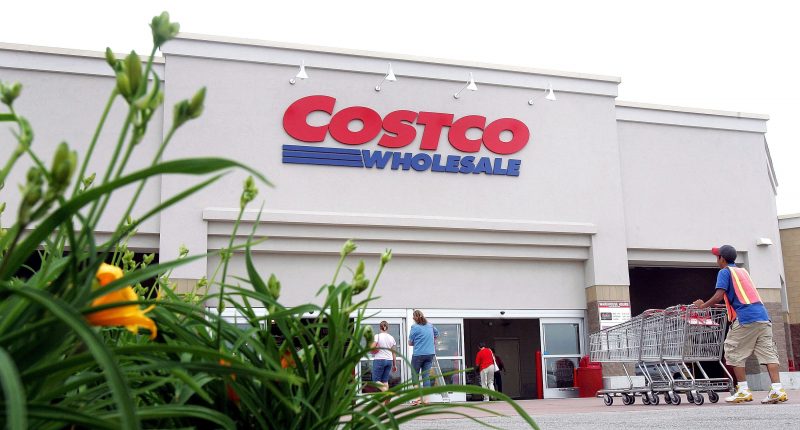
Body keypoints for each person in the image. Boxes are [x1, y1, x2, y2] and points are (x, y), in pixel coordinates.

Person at [693, 245, 788, 404]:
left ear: (721, 258)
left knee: (732, 350)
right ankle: (777, 389)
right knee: (768, 353)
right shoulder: (743, 272)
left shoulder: (724, 272)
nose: (717, 260)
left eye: (717, 257)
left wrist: (702, 306)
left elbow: (718, 295)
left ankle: (743, 390)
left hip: (745, 318)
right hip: (763, 317)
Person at [407, 309, 439, 405]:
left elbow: (410, 342)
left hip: (418, 354)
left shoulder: (414, 327)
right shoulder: (430, 325)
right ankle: (427, 400)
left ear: (414, 318)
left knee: (415, 376)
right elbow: (437, 334)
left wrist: (416, 342)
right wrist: (431, 342)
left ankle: (417, 398)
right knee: (426, 377)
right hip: (430, 354)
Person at [370, 321, 397, 404]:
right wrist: (394, 365)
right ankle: (386, 405)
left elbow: (372, 347)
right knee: (385, 381)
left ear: (380, 327)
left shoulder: (377, 336)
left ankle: (387, 393)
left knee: (375, 380)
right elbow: (394, 352)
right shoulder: (391, 338)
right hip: (389, 361)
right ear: (387, 328)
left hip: (379, 360)